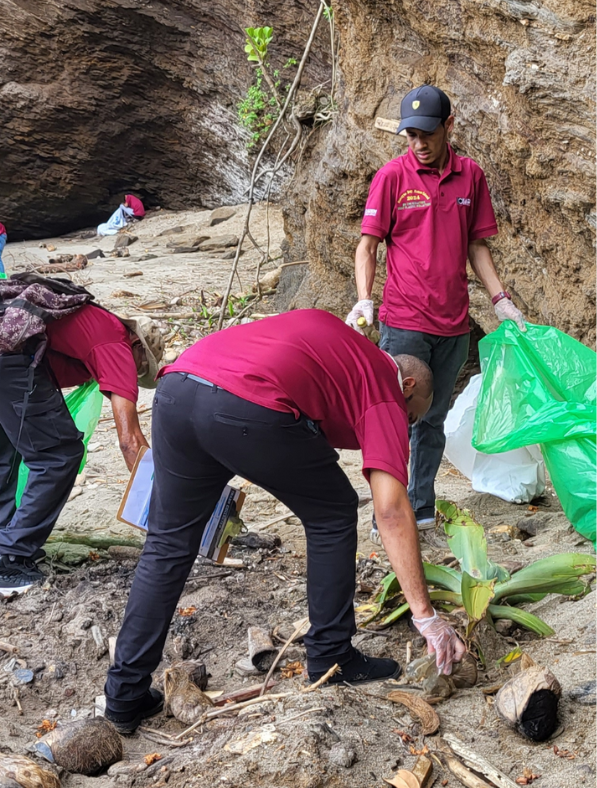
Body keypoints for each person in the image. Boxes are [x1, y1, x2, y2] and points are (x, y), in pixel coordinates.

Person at [104, 309, 467, 734]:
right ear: (408, 387)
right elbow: (390, 509)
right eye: (411, 418)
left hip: (177, 390)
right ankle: (332, 655)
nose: (403, 429)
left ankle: (124, 694)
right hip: (244, 405)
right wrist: (425, 616)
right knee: (333, 511)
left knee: (167, 544)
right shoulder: (384, 388)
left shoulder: (337, 347)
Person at [346, 85, 527, 542]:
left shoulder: (471, 177)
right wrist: (365, 299)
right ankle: (385, 515)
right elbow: (367, 245)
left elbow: (476, 245)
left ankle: (420, 509)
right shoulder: (391, 177)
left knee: (432, 419)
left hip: (453, 325)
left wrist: (500, 298)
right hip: (404, 321)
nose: (419, 144)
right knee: (391, 417)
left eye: (427, 133)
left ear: (449, 126)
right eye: (410, 135)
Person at [0, 306, 163, 599]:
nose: (136, 374)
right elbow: (129, 441)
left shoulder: (93, 325)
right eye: (141, 366)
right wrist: (164, 499)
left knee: (2, 449)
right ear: (137, 347)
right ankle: (9, 561)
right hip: (6, 352)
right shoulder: (117, 342)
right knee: (59, 455)